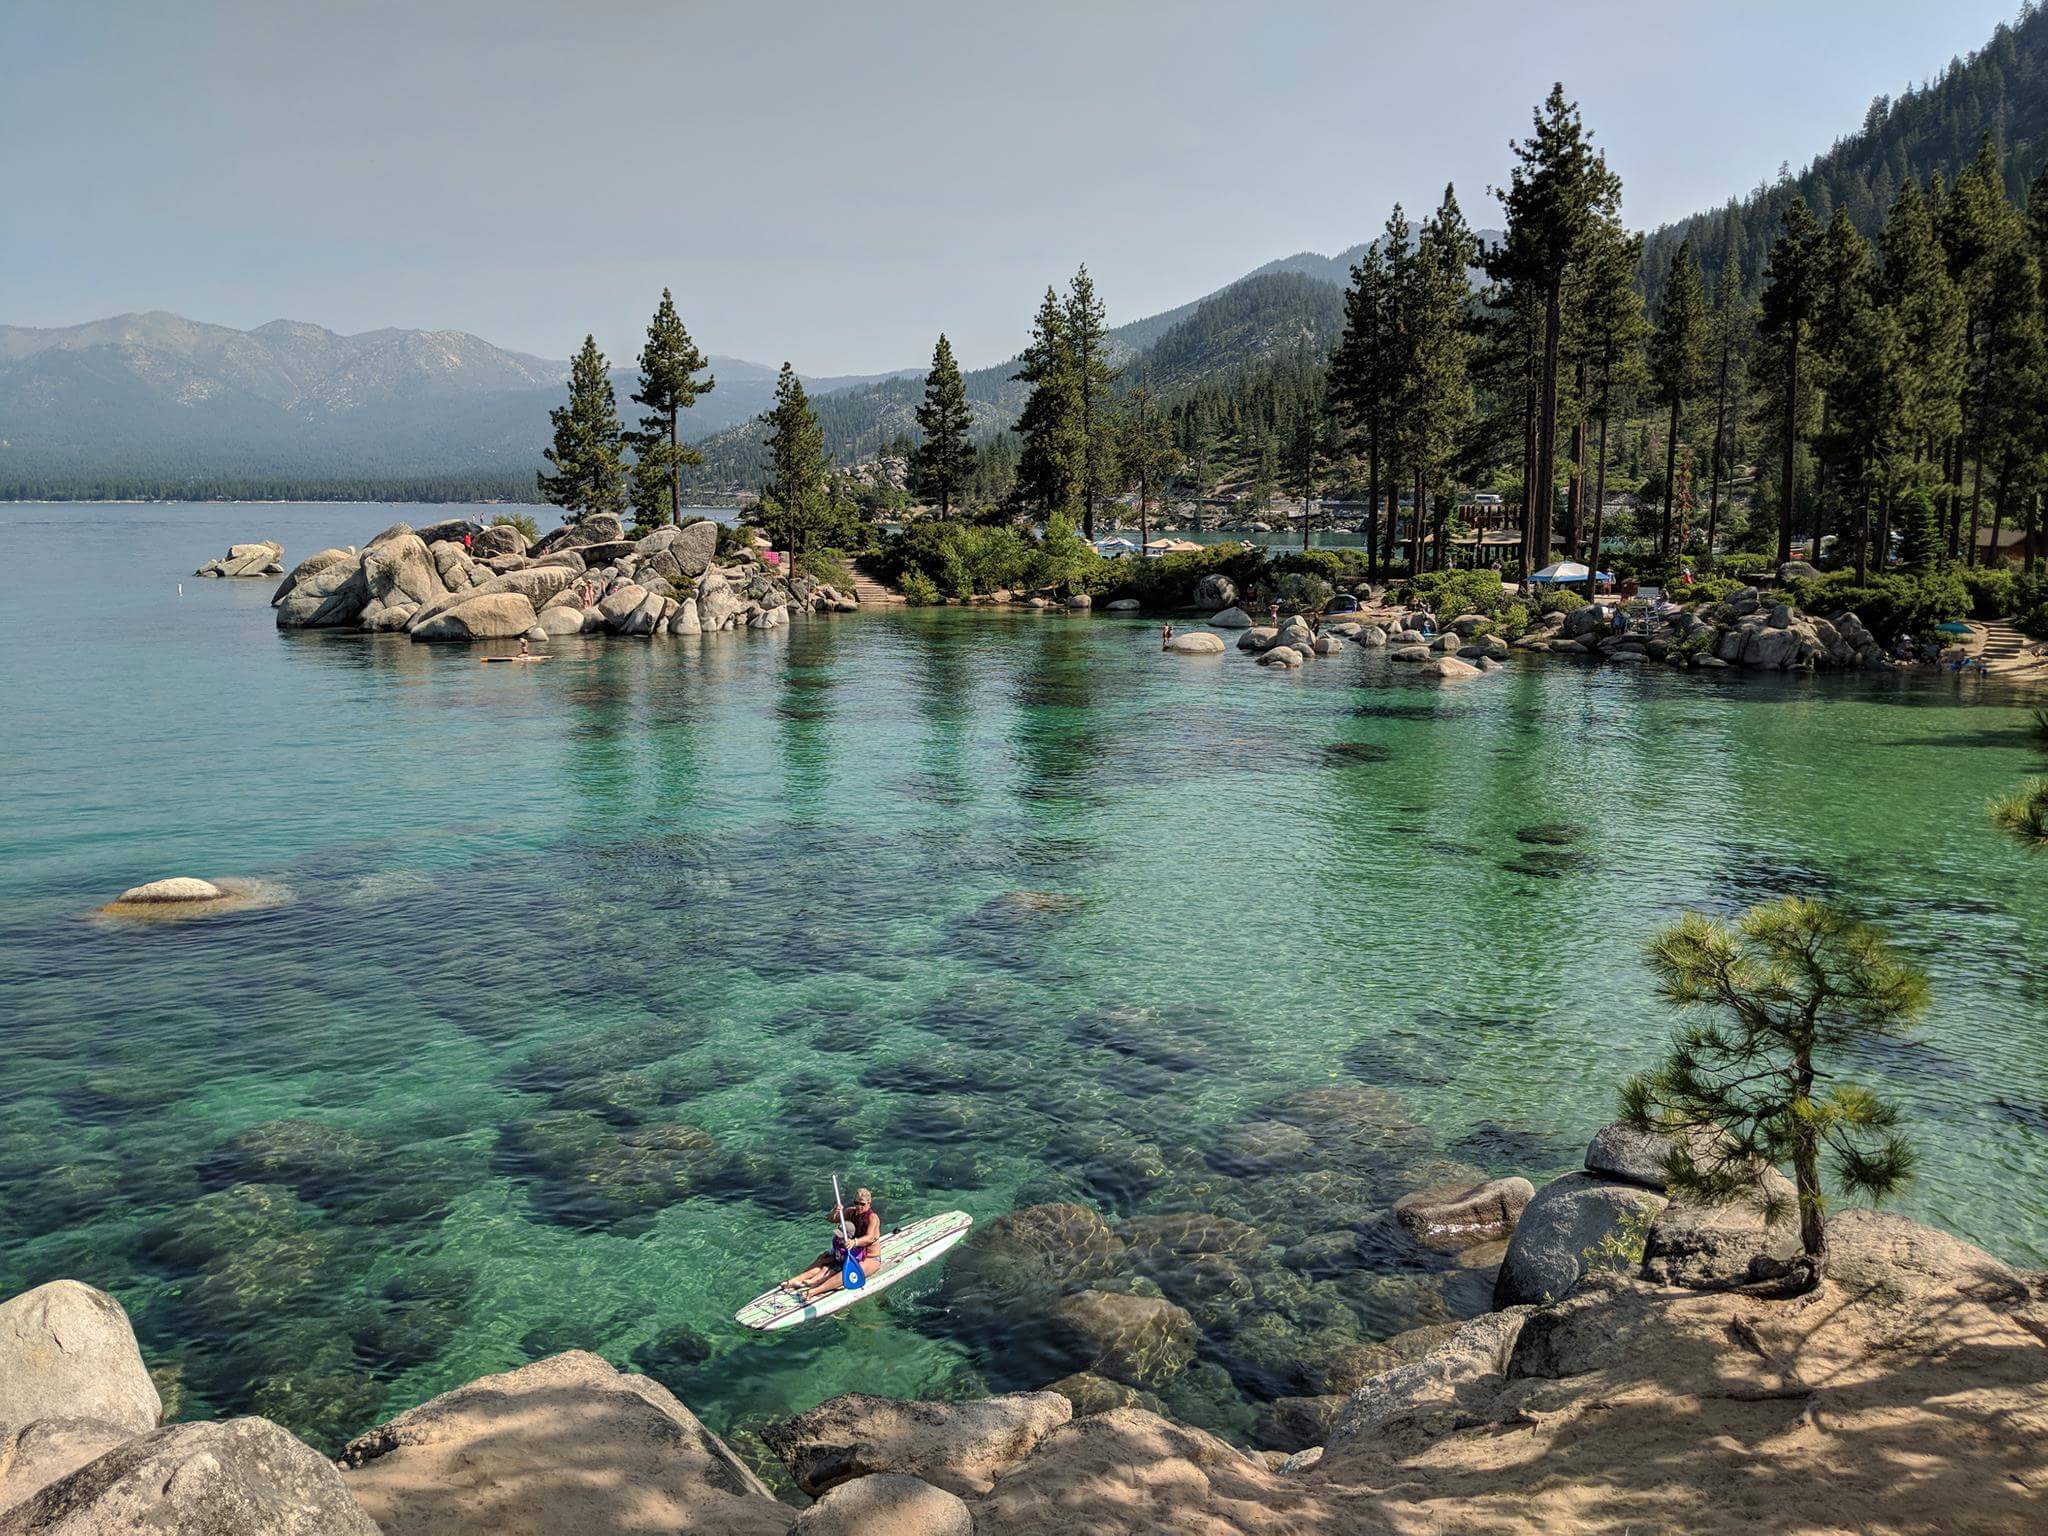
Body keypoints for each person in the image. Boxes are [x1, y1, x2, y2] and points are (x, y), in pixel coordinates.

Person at [782, 1188, 883, 1303]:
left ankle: (814, 1291)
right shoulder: (851, 1212)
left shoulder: (872, 1218)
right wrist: (835, 1211)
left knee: (845, 1272)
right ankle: (796, 1280)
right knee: (823, 1258)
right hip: (851, 1253)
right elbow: (830, 1219)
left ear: (869, 1203)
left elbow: (870, 1237)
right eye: (856, 1203)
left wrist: (854, 1242)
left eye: (862, 1204)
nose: (859, 1206)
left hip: (870, 1258)